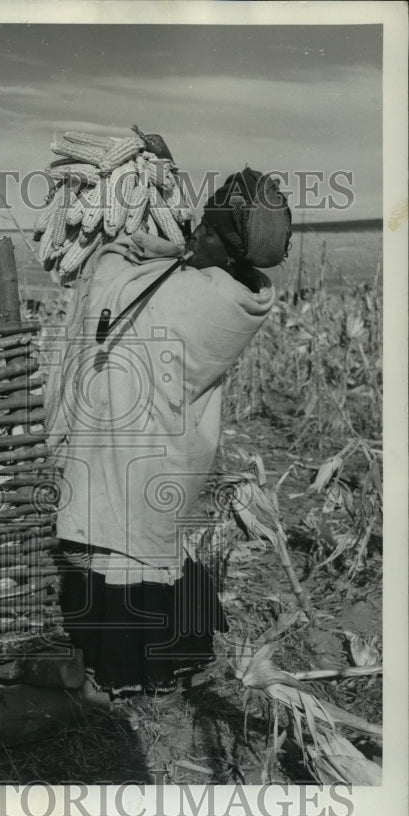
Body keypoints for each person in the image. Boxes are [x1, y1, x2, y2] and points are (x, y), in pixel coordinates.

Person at [47, 167, 292, 698]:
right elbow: (176, 266)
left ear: (227, 249)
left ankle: (121, 670)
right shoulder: (239, 292)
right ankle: (174, 664)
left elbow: (115, 282)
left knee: (123, 549)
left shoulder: (201, 296)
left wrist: (120, 247)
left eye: (203, 229)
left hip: (140, 443)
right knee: (153, 549)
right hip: (170, 447)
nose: (191, 236)